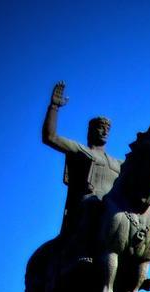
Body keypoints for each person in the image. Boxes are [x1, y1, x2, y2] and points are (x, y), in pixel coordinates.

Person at [41, 81, 122, 235]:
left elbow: (141, 168)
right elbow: (50, 137)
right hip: (88, 207)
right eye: (101, 128)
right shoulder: (81, 150)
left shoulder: (117, 163)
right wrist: (54, 107)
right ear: (90, 131)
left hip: (111, 209)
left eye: (108, 129)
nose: (105, 132)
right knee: (93, 207)